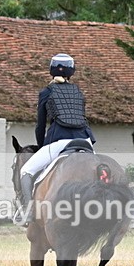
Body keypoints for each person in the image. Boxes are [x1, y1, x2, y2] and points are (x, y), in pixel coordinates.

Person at [17, 53, 96, 226]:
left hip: (58, 141)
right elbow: (82, 119)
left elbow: (40, 125)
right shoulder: (78, 92)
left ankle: (29, 211)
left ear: (51, 70)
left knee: (26, 171)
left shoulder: (46, 92)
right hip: (85, 140)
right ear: (71, 72)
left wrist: (41, 146)